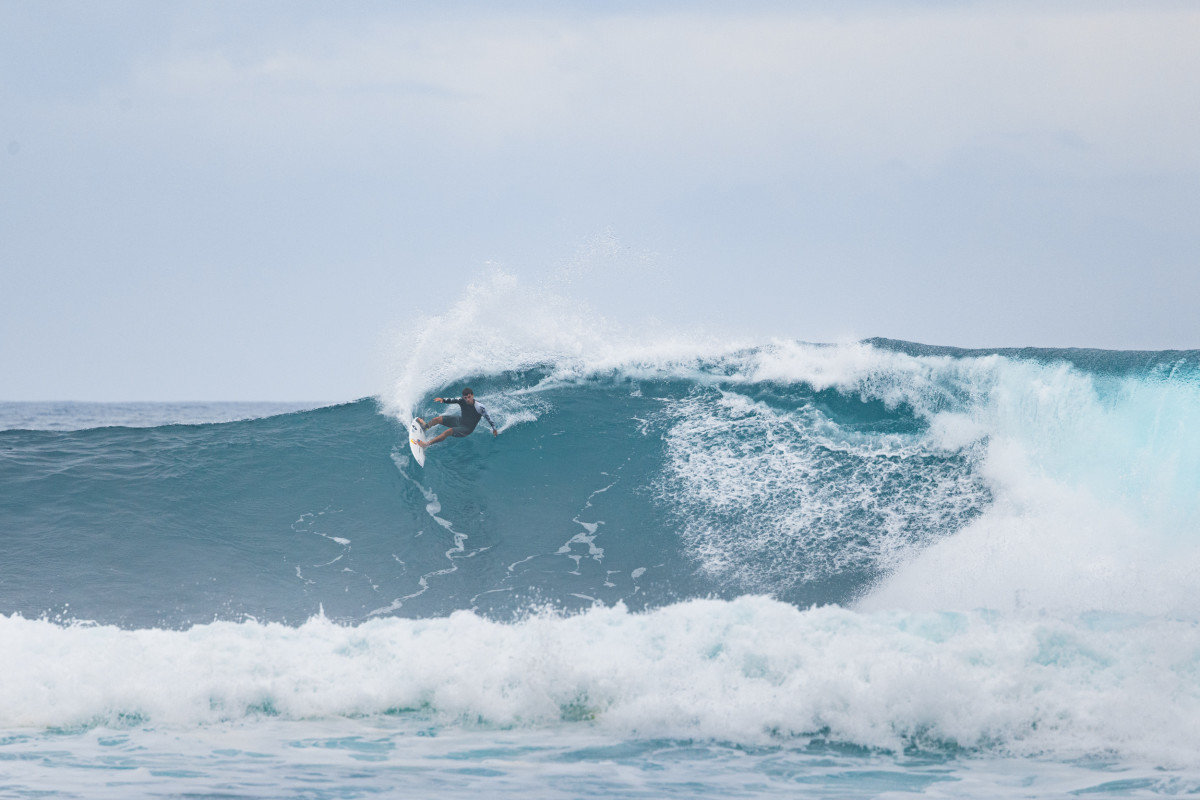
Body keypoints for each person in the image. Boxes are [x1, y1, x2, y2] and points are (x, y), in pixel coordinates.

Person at [415, 387, 498, 448]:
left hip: (467, 429)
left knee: (448, 431)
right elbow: (452, 400)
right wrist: (443, 400)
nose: (467, 399)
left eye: (469, 397)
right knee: (437, 419)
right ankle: (425, 427)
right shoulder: (462, 400)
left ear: (472, 395)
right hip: (460, 421)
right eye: (465, 398)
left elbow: (488, 417)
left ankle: (426, 444)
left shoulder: (479, 407)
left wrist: (494, 428)